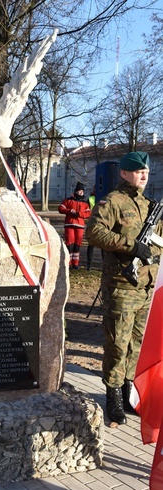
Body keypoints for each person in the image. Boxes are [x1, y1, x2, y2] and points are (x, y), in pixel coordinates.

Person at [86, 151, 163, 425]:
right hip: (121, 285)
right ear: (123, 172)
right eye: (138, 170)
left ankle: (129, 393)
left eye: (146, 170)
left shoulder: (149, 204)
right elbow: (94, 232)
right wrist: (132, 246)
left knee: (137, 346)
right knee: (118, 343)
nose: (144, 174)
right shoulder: (113, 201)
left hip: (146, 286)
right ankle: (113, 396)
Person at [58, 182, 91, 269]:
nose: (81, 193)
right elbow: (61, 208)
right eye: (80, 191)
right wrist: (70, 211)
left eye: (82, 191)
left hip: (80, 225)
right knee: (70, 244)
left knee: (77, 245)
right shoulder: (68, 200)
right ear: (76, 191)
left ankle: (75, 263)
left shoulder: (85, 203)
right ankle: (68, 262)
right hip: (70, 224)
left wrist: (79, 214)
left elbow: (88, 213)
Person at [86, 187, 96, 270]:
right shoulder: (90, 199)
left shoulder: (106, 197)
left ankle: (104, 263)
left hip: (104, 223)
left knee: (104, 247)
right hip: (93, 223)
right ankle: (89, 264)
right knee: (91, 245)